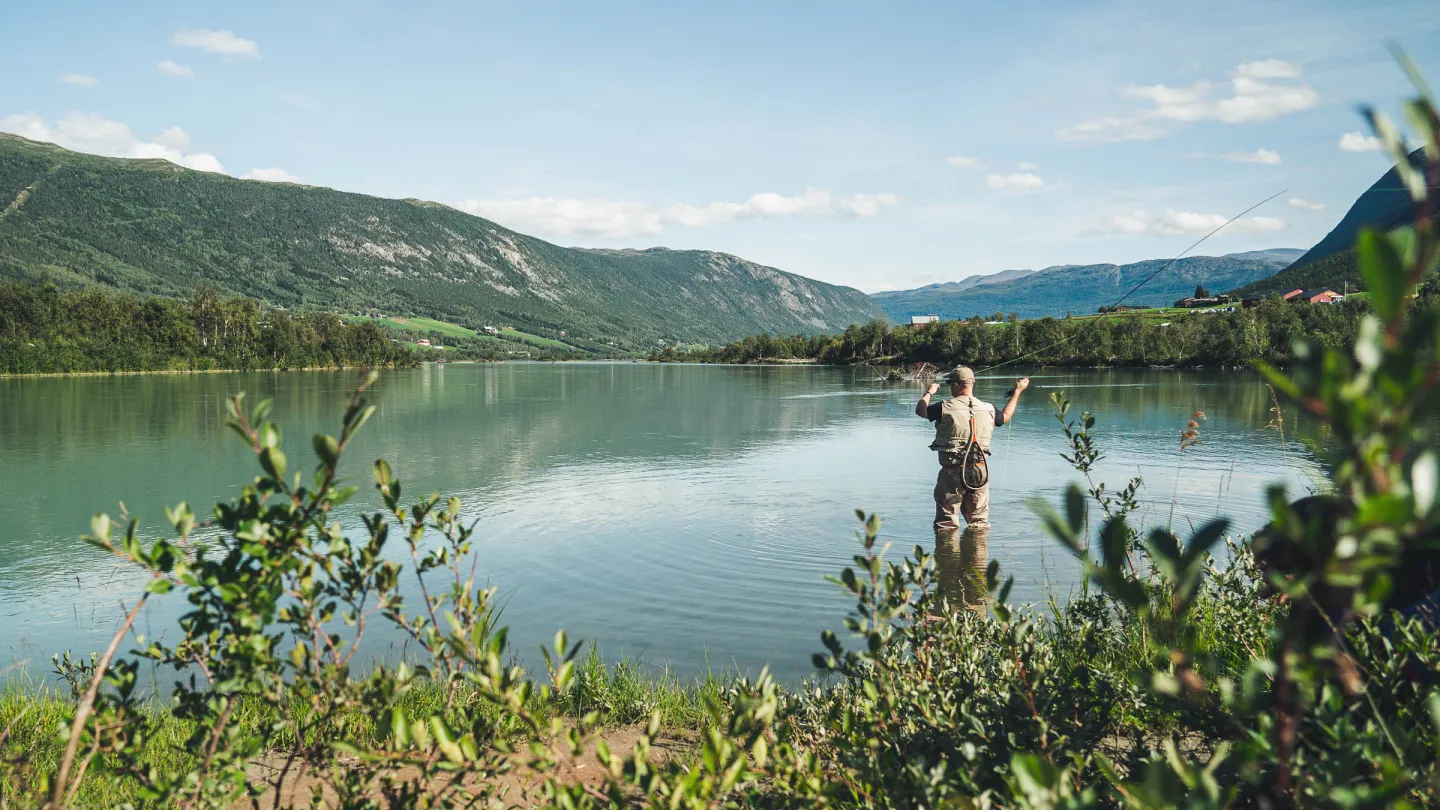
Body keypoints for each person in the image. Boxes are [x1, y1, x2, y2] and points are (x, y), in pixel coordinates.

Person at [916, 366, 1028, 531]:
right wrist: (1018, 391)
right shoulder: (989, 408)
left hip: (952, 472)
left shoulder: (944, 407)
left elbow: (921, 411)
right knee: (979, 524)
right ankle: (977, 554)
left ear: (958, 384)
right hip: (979, 472)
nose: (950, 388)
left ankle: (947, 555)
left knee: (946, 525)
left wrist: (929, 392)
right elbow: (1005, 417)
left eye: (950, 384)